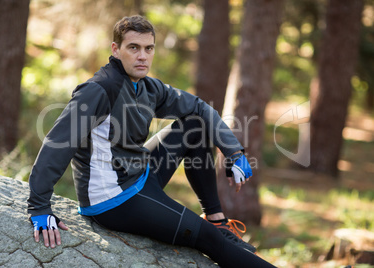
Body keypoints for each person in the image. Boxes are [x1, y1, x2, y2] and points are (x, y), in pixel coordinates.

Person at [27, 15, 276, 268]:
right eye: (133, 48)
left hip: (139, 174)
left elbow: (199, 108)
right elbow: (57, 144)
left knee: (195, 125)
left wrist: (233, 151)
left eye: (148, 48)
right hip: (114, 199)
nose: (142, 56)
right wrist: (39, 207)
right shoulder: (98, 89)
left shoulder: (147, 87)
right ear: (116, 49)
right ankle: (214, 232)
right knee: (210, 240)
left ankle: (216, 219)